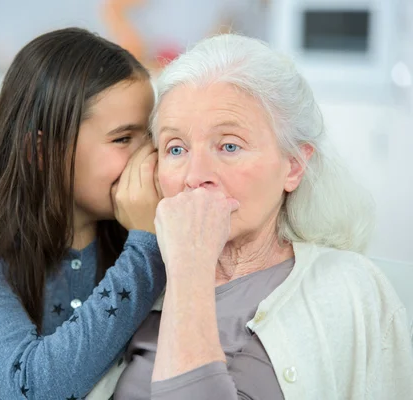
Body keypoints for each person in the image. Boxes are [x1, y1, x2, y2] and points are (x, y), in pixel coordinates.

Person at [114, 34, 413, 399]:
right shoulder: (135, 281)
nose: (195, 176)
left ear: (293, 166)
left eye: (229, 145)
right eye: (176, 148)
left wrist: (191, 265)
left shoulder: (350, 287)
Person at [0, 27, 166, 400]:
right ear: (42, 152)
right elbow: (35, 386)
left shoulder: (130, 229)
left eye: (150, 136)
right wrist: (147, 247)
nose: (149, 160)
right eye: (124, 139)